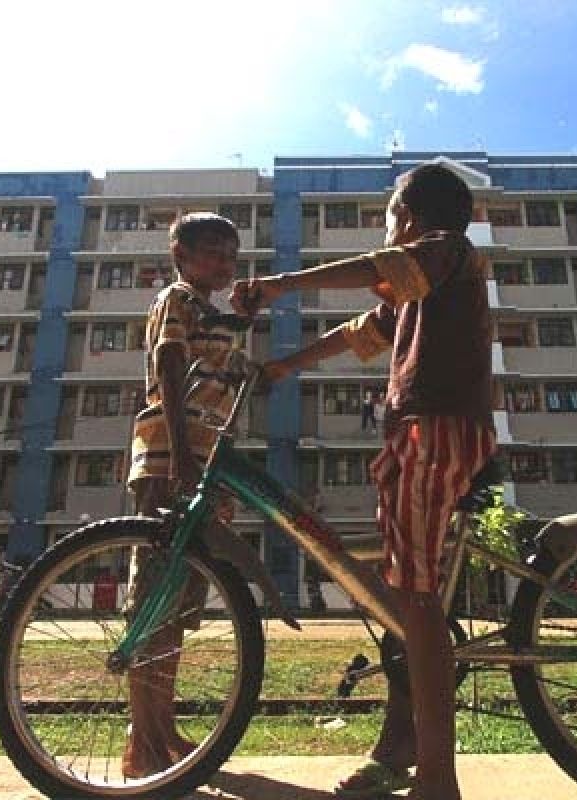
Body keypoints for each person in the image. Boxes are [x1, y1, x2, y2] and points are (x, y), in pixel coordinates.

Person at [232, 163, 495, 800]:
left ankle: (439, 778)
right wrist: (287, 366)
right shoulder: (418, 287)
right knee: (399, 598)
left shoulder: (445, 252)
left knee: (417, 602)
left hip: (434, 429)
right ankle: (400, 745)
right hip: (417, 432)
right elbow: (362, 332)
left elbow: (377, 267)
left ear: (407, 216)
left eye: (388, 217)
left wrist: (278, 284)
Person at [123, 212, 242, 779]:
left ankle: (161, 727)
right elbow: (169, 369)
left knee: (177, 608)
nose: (225, 262)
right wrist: (183, 457)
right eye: (214, 251)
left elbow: (233, 375)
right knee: (154, 602)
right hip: (173, 460)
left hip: (202, 464)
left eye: (231, 253)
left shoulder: (211, 313)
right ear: (181, 254)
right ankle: (140, 741)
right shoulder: (176, 299)